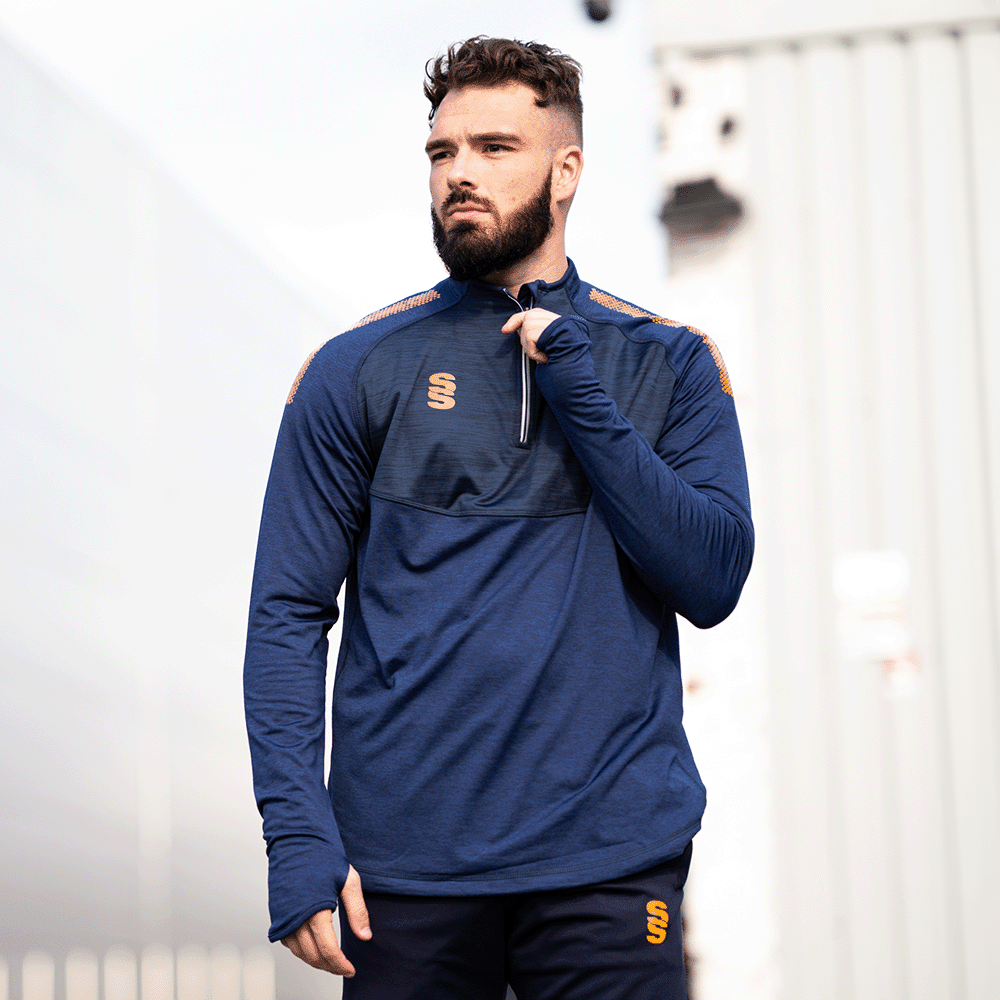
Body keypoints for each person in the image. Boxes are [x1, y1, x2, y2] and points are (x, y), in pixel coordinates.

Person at [243, 35, 753, 1000]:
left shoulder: (670, 362)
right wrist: (297, 832)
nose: (459, 174)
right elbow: (287, 615)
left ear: (567, 172)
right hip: (403, 874)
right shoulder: (354, 369)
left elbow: (713, 579)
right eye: (442, 152)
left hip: (610, 858)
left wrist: (581, 395)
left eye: (494, 147)